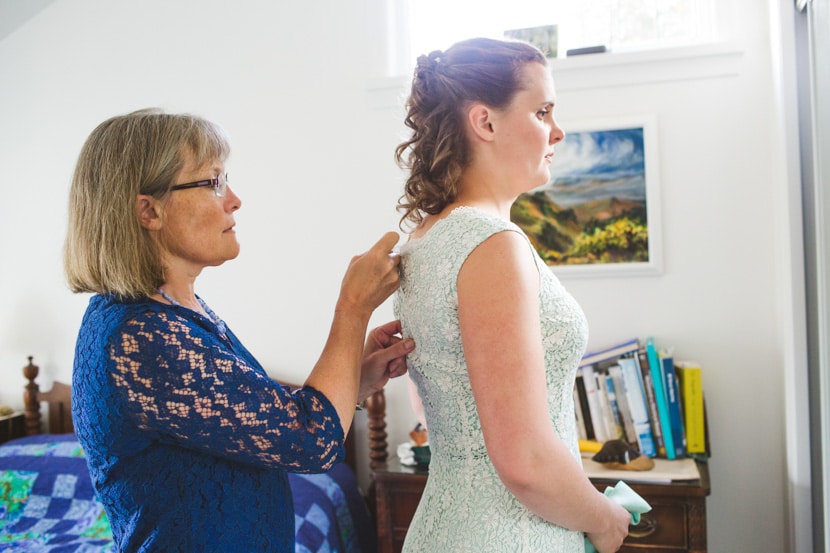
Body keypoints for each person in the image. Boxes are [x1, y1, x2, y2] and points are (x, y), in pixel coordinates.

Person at [64, 108, 412, 552]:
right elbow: (312, 443)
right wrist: (352, 308)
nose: (234, 200)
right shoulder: (141, 337)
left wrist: (356, 380)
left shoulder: (170, 312)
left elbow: (255, 415)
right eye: (212, 182)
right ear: (148, 211)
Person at [393, 38, 631, 552]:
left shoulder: (425, 238)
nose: (558, 131)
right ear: (486, 122)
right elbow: (524, 460)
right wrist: (604, 517)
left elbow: (442, 402)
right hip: (507, 536)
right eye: (542, 111)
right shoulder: (493, 246)